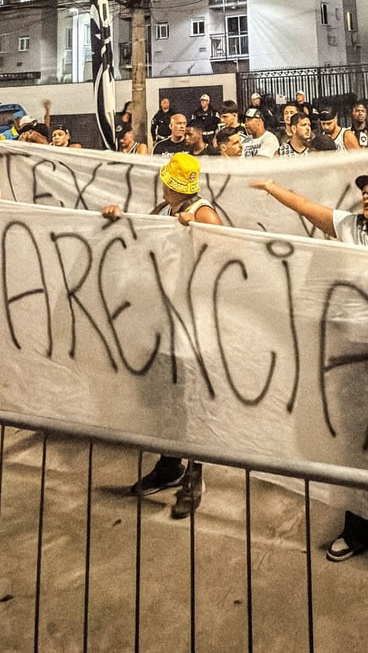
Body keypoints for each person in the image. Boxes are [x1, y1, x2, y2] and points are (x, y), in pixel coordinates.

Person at [249, 170, 368, 592]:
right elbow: (307, 209)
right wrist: (271, 187)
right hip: (351, 359)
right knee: (355, 451)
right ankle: (358, 532)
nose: (367, 199)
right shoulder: (349, 228)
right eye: (364, 194)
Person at [101, 153, 222, 519]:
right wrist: (117, 219)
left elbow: (224, 253)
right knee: (163, 399)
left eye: (168, 180)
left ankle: (194, 478)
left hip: (191, 324)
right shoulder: (159, 209)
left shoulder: (202, 212)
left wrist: (197, 231)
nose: (163, 184)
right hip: (160, 323)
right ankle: (170, 465)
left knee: (190, 402)